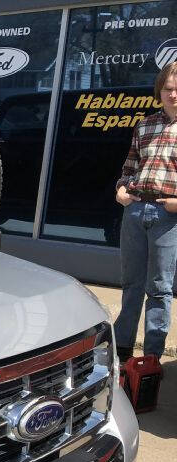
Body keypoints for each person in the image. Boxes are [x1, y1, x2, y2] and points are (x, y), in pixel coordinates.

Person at [114, 60, 177, 363]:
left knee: (160, 289)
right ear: (159, 91)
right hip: (135, 212)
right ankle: (123, 350)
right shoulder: (145, 124)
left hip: (169, 216)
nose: (173, 94)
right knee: (131, 285)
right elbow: (129, 166)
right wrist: (122, 190)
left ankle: (151, 358)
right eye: (168, 89)